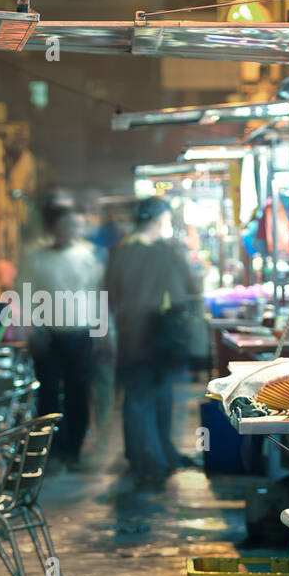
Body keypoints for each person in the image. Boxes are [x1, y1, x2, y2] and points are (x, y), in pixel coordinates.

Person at [105, 196, 199, 486]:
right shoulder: (164, 251)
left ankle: (149, 456)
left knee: (144, 398)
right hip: (158, 336)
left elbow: (109, 294)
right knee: (149, 398)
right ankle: (152, 460)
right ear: (159, 220)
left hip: (134, 336)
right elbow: (188, 289)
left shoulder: (121, 252)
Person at [19, 198, 103, 470]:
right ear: (52, 228)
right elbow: (24, 295)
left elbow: (97, 295)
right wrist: (32, 329)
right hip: (48, 336)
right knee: (49, 395)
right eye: (64, 225)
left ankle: (74, 451)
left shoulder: (87, 257)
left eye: (74, 225)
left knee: (79, 393)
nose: (70, 230)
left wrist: (103, 331)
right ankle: (51, 452)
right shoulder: (36, 259)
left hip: (81, 333)